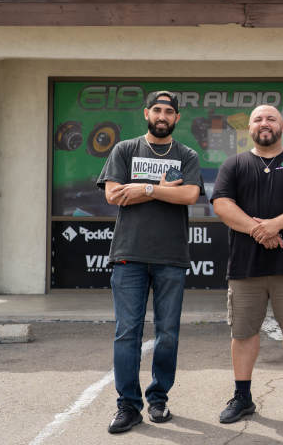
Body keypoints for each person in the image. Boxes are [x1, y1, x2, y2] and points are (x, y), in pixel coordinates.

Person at [211, 104, 283, 424]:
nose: (264, 123)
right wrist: (259, 230)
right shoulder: (234, 164)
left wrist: (276, 224)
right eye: (258, 119)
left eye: (271, 118)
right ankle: (243, 397)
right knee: (243, 334)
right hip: (245, 268)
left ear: (282, 125)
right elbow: (221, 204)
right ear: (249, 128)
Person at [97, 91, 203, 434]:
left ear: (176, 118)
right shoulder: (125, 150)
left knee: (168, 334)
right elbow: (113, 194)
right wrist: (156, 188)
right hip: (129, 255)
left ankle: (158, 399)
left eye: (168, 111)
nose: (162, 115)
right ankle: (127, 406)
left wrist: (144, 190)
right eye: (157, 109)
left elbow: (189, 194)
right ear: (147, 113)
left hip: (171, 257)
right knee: (127, 333)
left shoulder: (186, 155)